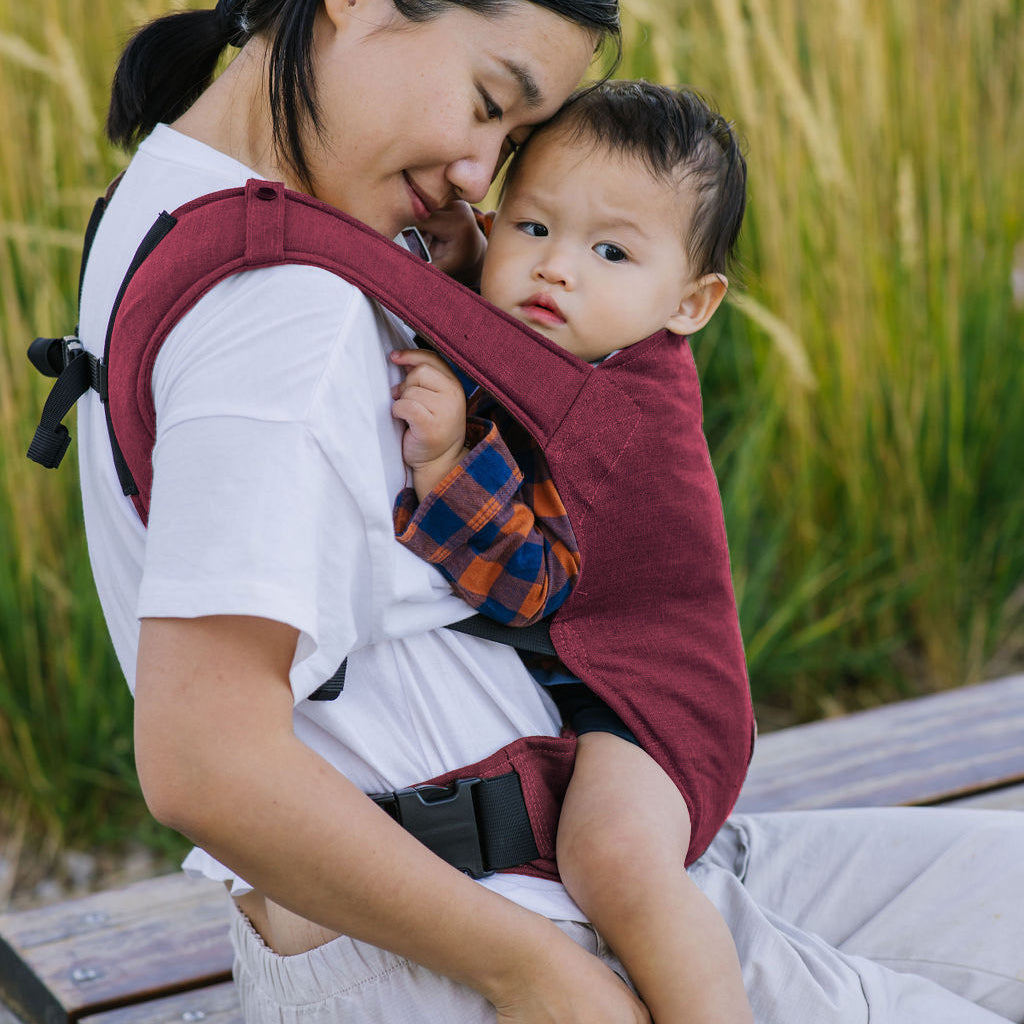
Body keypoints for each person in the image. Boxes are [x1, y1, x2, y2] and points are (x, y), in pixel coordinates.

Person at [73, 0, 1024, 1020]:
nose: (481, 176)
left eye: (511, 140)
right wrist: (533, 974)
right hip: (489, 934)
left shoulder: (194, 194)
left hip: (588, 863)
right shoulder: (279, 315)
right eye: (487, 102)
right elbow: (204, 764)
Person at [389, 81, 753, 1022]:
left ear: (690, 303)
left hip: (661, 705)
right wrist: (472, 264)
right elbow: (509, 328)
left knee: (611, 859)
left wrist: (443, 466)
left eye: (610, 251)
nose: (556, 272)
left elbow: (529, 584)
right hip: (591, 681)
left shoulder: (622, 420)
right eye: (534, 229)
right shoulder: (585, 339)